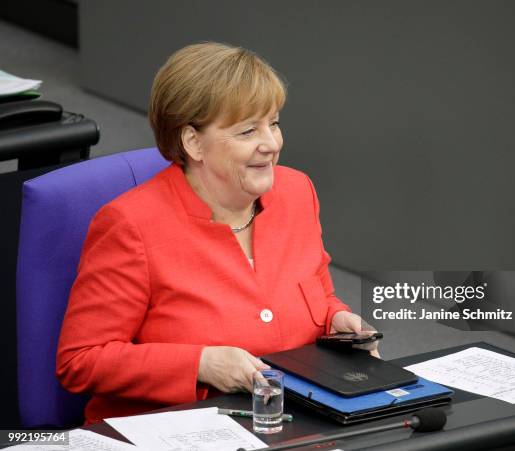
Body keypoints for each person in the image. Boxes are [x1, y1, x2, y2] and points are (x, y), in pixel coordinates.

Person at [56, 42, 378, 424]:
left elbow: (318, 294)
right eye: (247, 131)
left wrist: (336, 321)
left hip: (292, 418)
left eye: (273, 123)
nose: (271, 144)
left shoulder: (297, 192)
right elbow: (81, 360)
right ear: (193, 141)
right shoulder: (131, 226)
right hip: (177, 429)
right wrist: (200, 364)